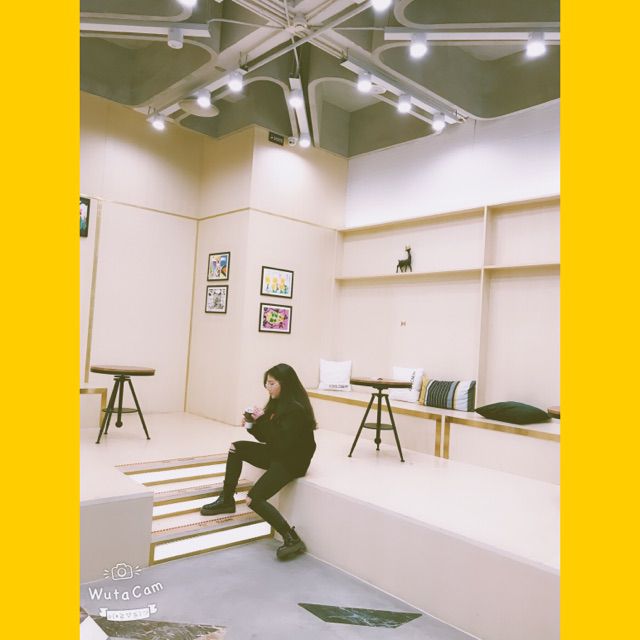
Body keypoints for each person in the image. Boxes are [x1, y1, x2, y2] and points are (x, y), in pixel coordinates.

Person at [200, 363, 317, 560]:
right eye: (266, 383)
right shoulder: (277, 402)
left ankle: (292, 538)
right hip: (278, 453)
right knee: (236, 448)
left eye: (272, 383)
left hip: (292, 462)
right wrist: (252, 424)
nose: (267, 388)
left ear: (285, 384)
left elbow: (282, 443)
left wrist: (262, 421)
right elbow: (268, 438)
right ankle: (227, 499)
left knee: (253, 499)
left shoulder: (295, 409)